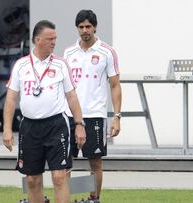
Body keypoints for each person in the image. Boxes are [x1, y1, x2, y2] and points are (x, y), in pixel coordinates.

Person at [3, 20, 86, 203]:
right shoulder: (21, 65)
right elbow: (10, 99)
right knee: (32, 180)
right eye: (50, 39)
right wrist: (7, 129)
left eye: (55, 38)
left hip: (56, 125)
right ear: (37, 39)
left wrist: (79, 124)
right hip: (30, 127)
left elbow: (72, 97)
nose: (54, 42)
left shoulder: (60, 64)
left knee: (59, 177)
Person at [64, 10, 122, 202]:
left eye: (88, 26)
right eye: (81, 27)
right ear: (77, 29)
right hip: (69, 115)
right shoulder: (68, 52)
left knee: (95, 163)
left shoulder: (107, 51)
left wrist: (117, 116)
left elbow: (115, 85)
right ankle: (66, 198)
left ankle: (93, 199)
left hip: (95, 115)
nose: (85, 30)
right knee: (65, 164)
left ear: (95, 27)